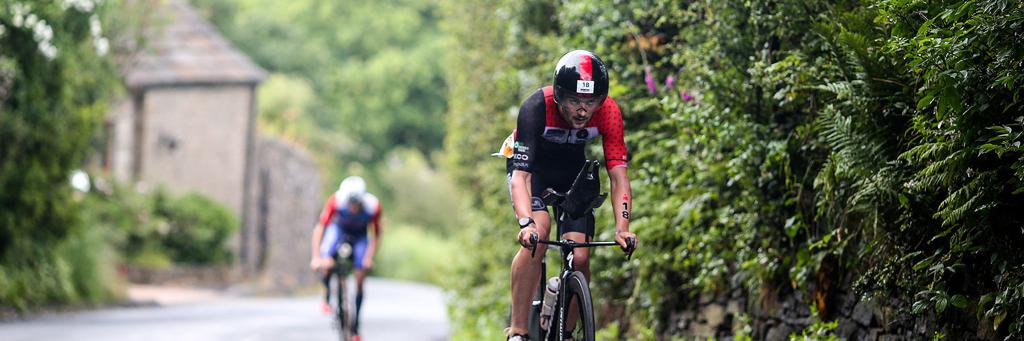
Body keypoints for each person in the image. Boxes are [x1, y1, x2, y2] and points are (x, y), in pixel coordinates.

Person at [501, 50, 638, 340]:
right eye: (575, 100)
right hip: (533, 171)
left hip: (572, 175)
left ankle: (566, 332)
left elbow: (618, 176)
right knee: (538, 235)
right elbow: (520, 177)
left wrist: (622, 228)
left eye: (590, 102)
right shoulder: (536, 107)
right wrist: (525, 224)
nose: (582, 110)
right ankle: (518, 331)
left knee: (581, 257)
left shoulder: (610, 112)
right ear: (560, 97)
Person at [310, 176, 382, 340]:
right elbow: (321, 227)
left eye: (356, 204)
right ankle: (327, 294)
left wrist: (368, 258)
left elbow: (376, 235)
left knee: (360, 275)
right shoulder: (336, 200)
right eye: (350, 203)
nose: (353, 207)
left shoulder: (373, 206)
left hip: (360, 236)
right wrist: (317, 257)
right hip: (339, 230)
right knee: (327, 258)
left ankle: (355, 327)